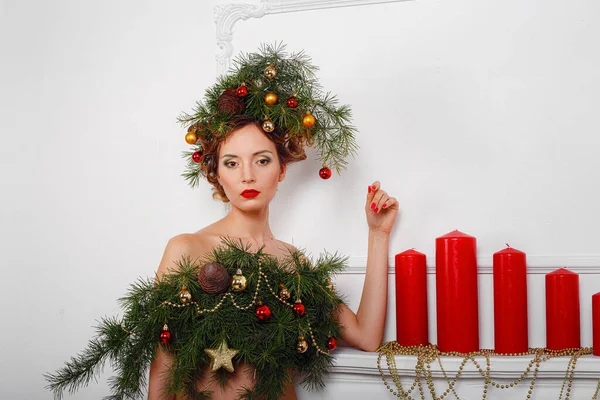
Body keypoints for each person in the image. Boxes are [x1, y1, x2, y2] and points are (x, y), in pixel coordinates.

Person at [148, 113, 399, 399]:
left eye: (262, 160)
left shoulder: (293, 262)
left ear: (281, 170)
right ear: (217, 173)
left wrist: (378, 235)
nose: (248, 175)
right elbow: (163, 366)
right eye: (232, 163)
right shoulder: (187, 249)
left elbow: (365, 336)